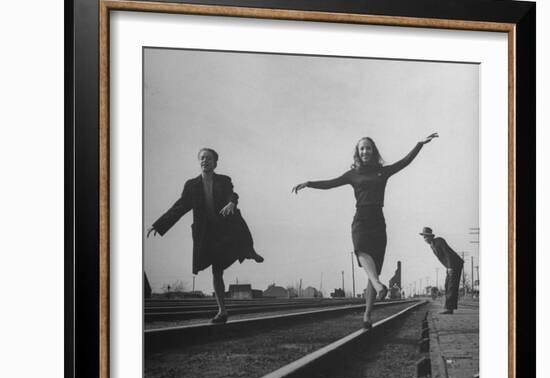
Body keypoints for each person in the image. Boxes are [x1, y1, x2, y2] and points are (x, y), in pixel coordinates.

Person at [292, 133, 439, 330]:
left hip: (378, 222)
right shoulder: (352, 174)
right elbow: (330, 183)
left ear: (373, 151)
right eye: (361, 148)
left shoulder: (382, 172)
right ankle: (379, 286)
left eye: (368, 148)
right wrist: (309, 183)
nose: (365, 151)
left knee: (373, 272)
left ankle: (367, 315)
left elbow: (404, 162)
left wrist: (419, 145)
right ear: (357, 153)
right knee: (361, 252)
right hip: (360, 220)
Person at [147, 148, 263, 324]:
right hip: (208, 235)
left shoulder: (224, 180)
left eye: (208, 158)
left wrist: (231, 202)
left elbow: (232, 193)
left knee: (239, 226)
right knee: (217, 272)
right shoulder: (191, 185)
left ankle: (248, 251)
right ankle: (222, 312)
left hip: (226, 230)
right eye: (202, 158)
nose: (205, 161)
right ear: (199, 161)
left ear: (215, 163)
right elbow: (179, 207)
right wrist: (159, 224)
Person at [419, 227, 464, 314]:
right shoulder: (432, 245)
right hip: (450, 265)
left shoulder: (439, 241)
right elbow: (442, 258)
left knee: (451, 285)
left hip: (455, 264)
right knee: (447, 285)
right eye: (424, 237)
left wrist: (450, 267)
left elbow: (447, 253)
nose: (425, 239)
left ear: (431, 236)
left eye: (426, 237)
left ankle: (449, 309)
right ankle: (449, 307)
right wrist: (447, 267)